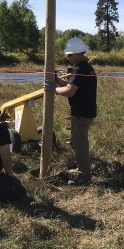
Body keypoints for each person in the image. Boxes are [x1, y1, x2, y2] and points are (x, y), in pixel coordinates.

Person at [44, 37, 97, 186]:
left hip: (81, 112)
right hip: (85, 111)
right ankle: (82, 169)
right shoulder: (86, 67)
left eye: (69, 54)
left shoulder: (80, 68)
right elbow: (71, 85)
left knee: (80, 144)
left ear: (77, 53)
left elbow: (70, 91)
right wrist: (57, 80)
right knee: (78, 141)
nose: (68, 57)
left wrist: (53, 88)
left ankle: (84, 175)